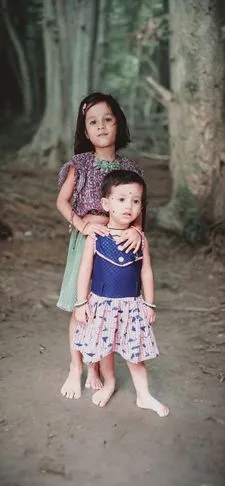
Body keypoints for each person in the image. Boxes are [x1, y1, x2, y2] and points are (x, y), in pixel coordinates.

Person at [56, 92, 144, 400]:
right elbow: (62, 202)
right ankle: (75, 366)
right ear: (85, 130)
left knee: (104, 307)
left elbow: (137, 210)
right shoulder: (79, 165)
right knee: (82, 307)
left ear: (118, 124)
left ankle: (96, 366)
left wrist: (138, 234)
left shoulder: (130, 168)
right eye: (93, 121)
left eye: (108, 119)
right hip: (88, 240)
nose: (102, 126)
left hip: (117, 244)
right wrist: (82, 225)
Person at [73, 170, 169, 417]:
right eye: (122, 199)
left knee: (135, 353)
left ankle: (144, 395)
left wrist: (150, 304)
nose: (130, 206)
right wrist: (81, 301)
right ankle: (110, 383)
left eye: (136, 201)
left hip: (131, 306)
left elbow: (146, 271)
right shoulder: (96, 236)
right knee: (105, 351)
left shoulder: (140, 239)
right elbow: (85, 270)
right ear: (106, 203)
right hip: (102, 304)